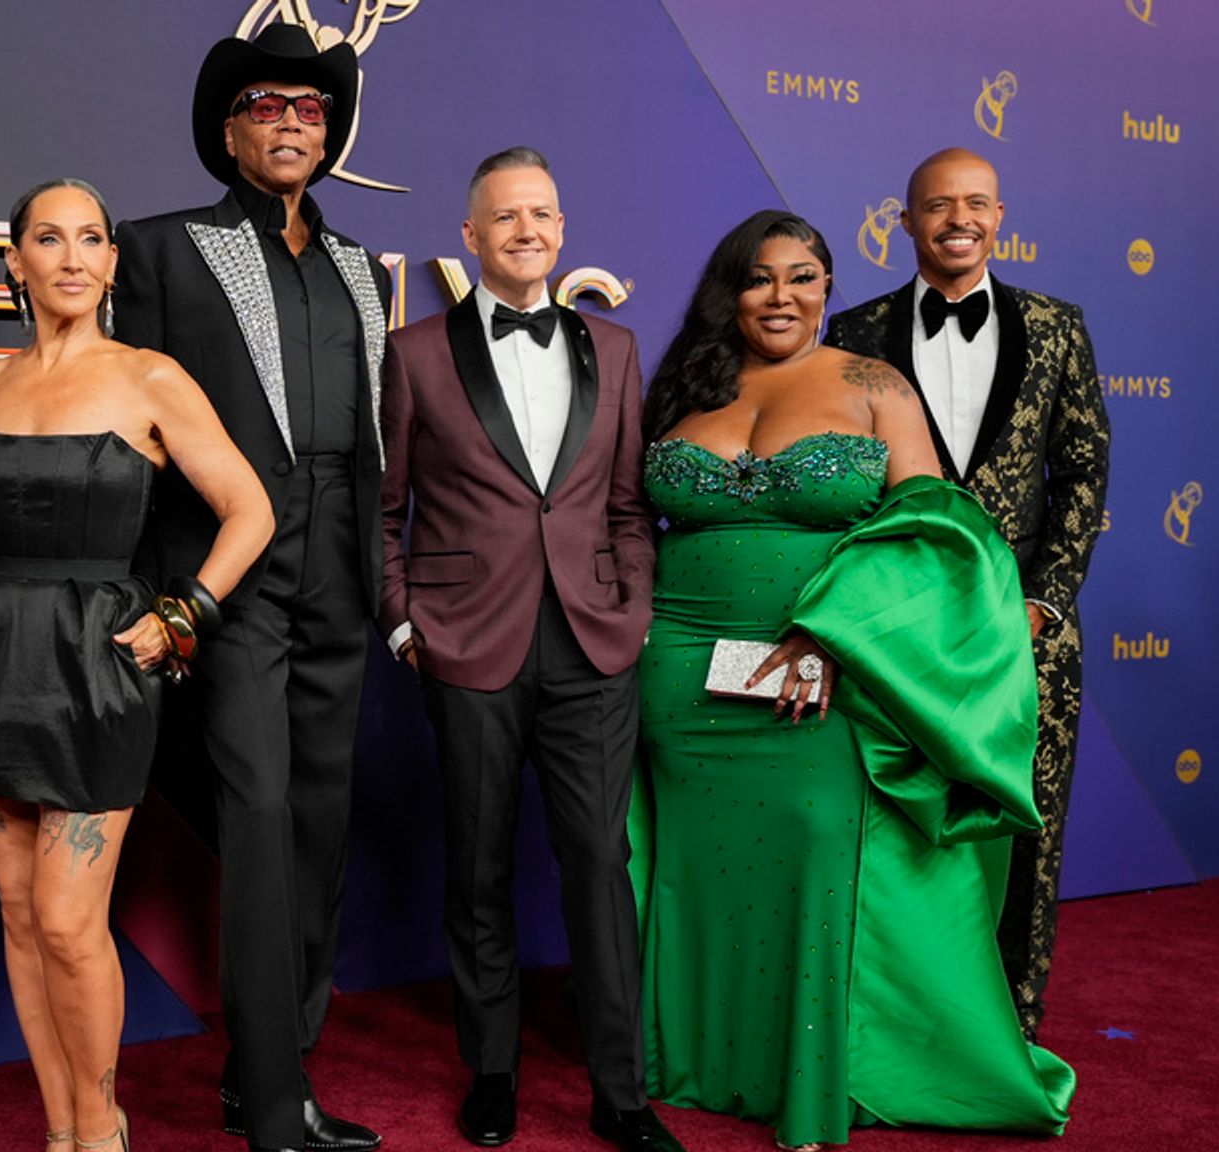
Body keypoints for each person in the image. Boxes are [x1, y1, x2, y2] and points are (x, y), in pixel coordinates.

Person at [635, 210, 1075, 1150]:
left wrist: (836, 636)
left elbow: (937, 530)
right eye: (760, 278)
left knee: (810, 861)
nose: (783, 296)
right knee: (691, 871)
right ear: (731, 289)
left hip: (813, 676)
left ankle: (804, 1072)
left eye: (804, 277)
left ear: (829, 288)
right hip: (676, 671)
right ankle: (693, 1063)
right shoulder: (683, 384)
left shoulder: (873, 385)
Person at [0, 179, 273, 1152]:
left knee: (71, 921)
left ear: (111, 262)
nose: (71, 255)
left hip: (95, 669)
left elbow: (251, 511)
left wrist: (185, 612)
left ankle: (104, 1123)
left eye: (90, 239)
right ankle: (61, 1129)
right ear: (15, 260)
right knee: (24, 920)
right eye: (47, 237)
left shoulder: (150, 379)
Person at [113, 23, 392, 1152]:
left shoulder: (361, 267)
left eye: (310, 108)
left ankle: (279, 1060)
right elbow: (129, 433)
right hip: (225, 582)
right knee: (261, 815)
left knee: (321, 826)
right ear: (227, 131)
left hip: (341, 578)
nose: (290, 122)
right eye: (266, 105)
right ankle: (274, 1102)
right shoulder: (163, 250)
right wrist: (153, 596)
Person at [377, 147, 679, 1152]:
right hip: (465, 642)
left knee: (597, 864)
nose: (524, 231)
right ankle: (493, 1071)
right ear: (468, 237)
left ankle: (619, 1094)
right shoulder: (416, 352)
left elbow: (629, 506)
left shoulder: (618, 348)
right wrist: (402, 619)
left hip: (593, 645)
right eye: (503, 217)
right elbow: (379, 513)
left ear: (560, 227)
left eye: (540, 214)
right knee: (476, 869)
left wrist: (631, 608)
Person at [825, 148, 1109, 1042]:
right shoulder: (852, 331)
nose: (959, 219)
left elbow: (1084, 471)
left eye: (977, 203)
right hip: (898, 634)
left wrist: (1044, 599)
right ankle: (896, 1021)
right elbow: (843, 486)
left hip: (1025, 631)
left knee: (1027, 828)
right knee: (898, 825)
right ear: (903, 220)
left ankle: (1013, 1023)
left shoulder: (1059, 328)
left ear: (1000, 216)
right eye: (938, 204)